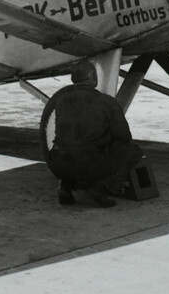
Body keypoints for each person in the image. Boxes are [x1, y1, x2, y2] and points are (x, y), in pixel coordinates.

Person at [46, 61, 143, 207]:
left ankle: (64, 186)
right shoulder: (107, 102)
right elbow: (124, 137)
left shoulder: (60, 100)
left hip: (57, 163)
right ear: (95, 79)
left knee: (71, 149)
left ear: (73, 79)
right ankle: (99, 190)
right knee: (133, 151)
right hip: (87, 163)